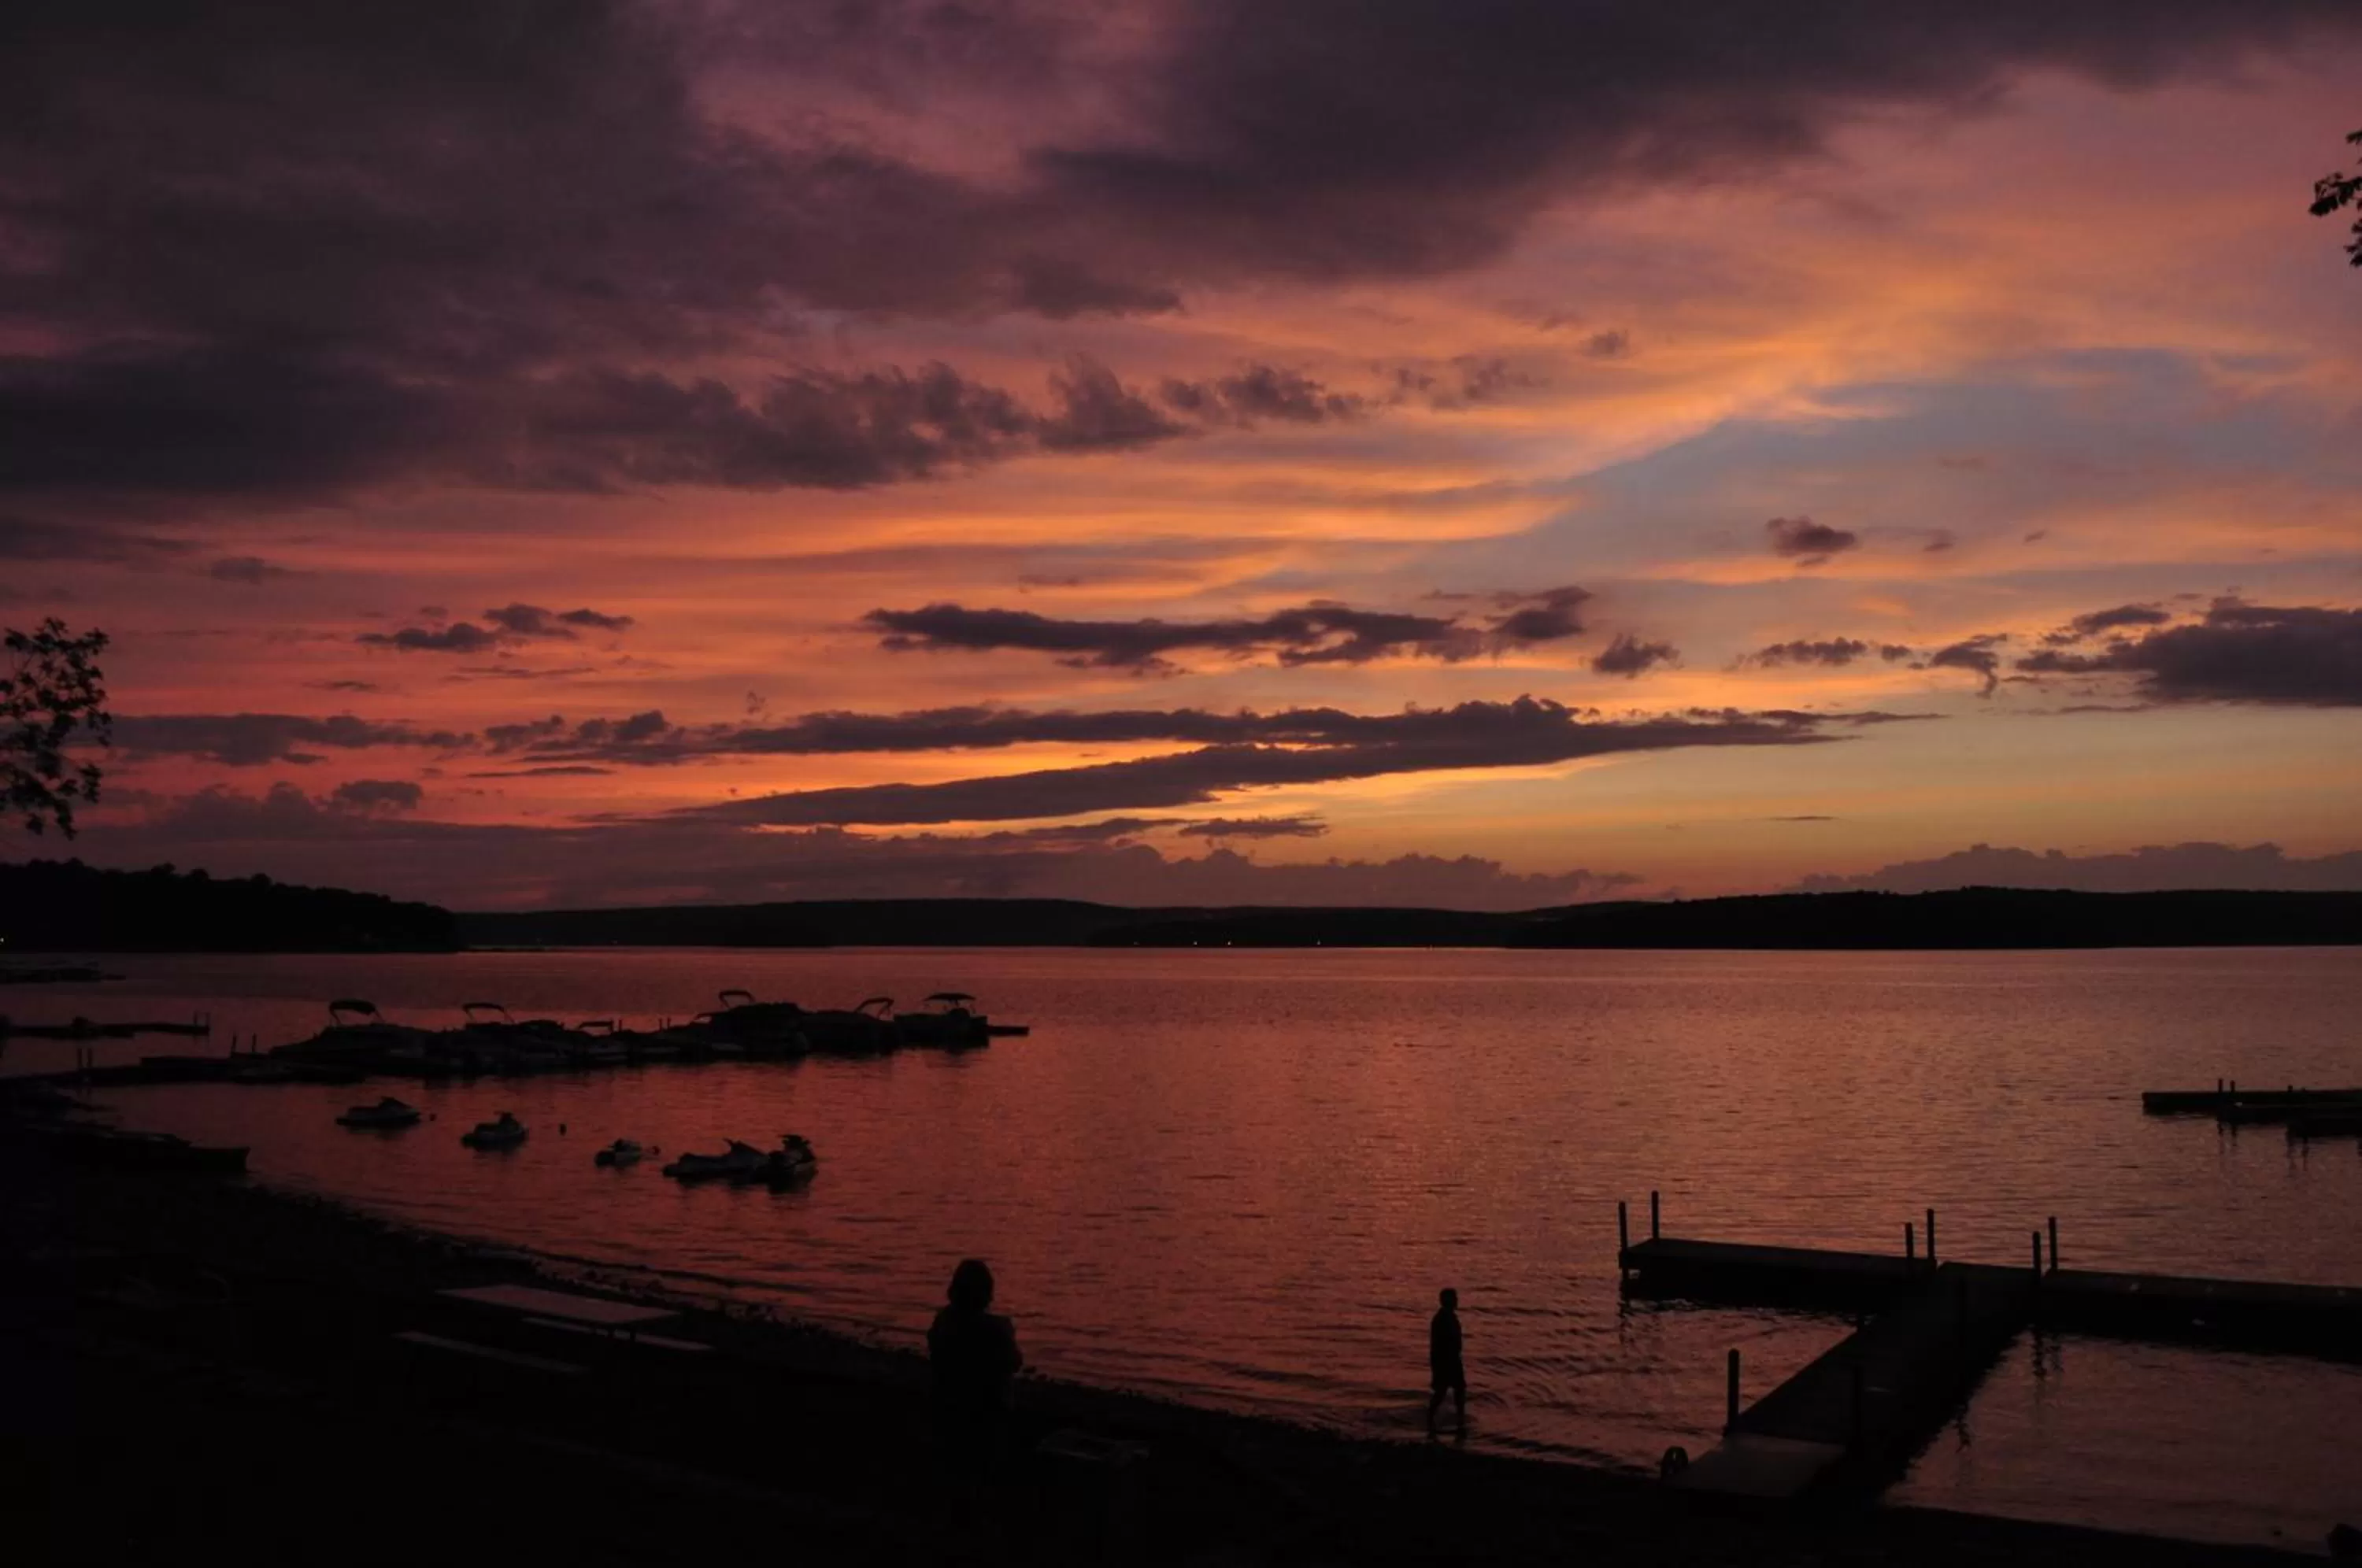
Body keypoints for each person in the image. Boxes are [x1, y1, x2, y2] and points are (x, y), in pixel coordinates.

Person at [927, 1258, 1024, 1474]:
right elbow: (1015, 1363)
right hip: (986, 1412)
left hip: (947, 1406)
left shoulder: (943, 1321)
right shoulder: (997, 1329)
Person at [1427, 1286, 1465, 1437]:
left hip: (1452, 1359)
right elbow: (1438, 1344)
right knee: (1443, 1391)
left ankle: (1459, 1420)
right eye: (1454, 1298)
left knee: (1459, 1390)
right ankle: (1431, 1419)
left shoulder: (1449, 1316)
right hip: (1445, 1360)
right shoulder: (1442, 1318)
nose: (1457, 1301)